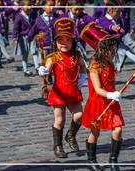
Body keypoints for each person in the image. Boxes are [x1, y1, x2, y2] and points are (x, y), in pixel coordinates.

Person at [38, 17, 87, 158]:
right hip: (59, 92)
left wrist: (83, 77)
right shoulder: (53, 57)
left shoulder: (77, 56)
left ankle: (70, 135)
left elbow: (83, 67)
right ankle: (58, 146)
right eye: (61, 40)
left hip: (73, 91)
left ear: (73, 42)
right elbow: (47, 68)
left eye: (68, 40)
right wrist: (44, 71)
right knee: (60, 120)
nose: (64, 43)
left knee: (79, 116)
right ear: (55, 42)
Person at [80, 22, 123, 171]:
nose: (113, 52)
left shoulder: (110, 63)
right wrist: (111, 94)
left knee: (117, 129)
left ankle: (113, 161)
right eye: (110, 50)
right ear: (101, 50)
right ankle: (91, 160)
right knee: (95, 132)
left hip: (111, 103)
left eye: (113, 49)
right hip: (98, 103)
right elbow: (98, 89)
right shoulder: (94, 67)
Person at [28, 0, 57, 81]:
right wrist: (29, 37)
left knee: (55, 61)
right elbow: (34, 29)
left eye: (53, 5)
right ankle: (49, 75)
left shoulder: (56, 17)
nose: (52, 8)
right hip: (44, 45)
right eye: (50, 6)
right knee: (46, 62)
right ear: (43, 7)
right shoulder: (39, 19)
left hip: (55, 45)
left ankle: (56, 74)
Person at [13, 0, 37, 76]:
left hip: (32, 36)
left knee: (34, 51)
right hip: (23, 38)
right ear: (22, 7)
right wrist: (15, 38)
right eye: (27, 5)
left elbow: (35, 24)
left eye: (30, 5)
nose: (29, 7)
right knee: (25, 54)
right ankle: (25, 70)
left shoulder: (32, 14)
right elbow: (15, 28)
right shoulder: (19, 17)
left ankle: (37, 67)